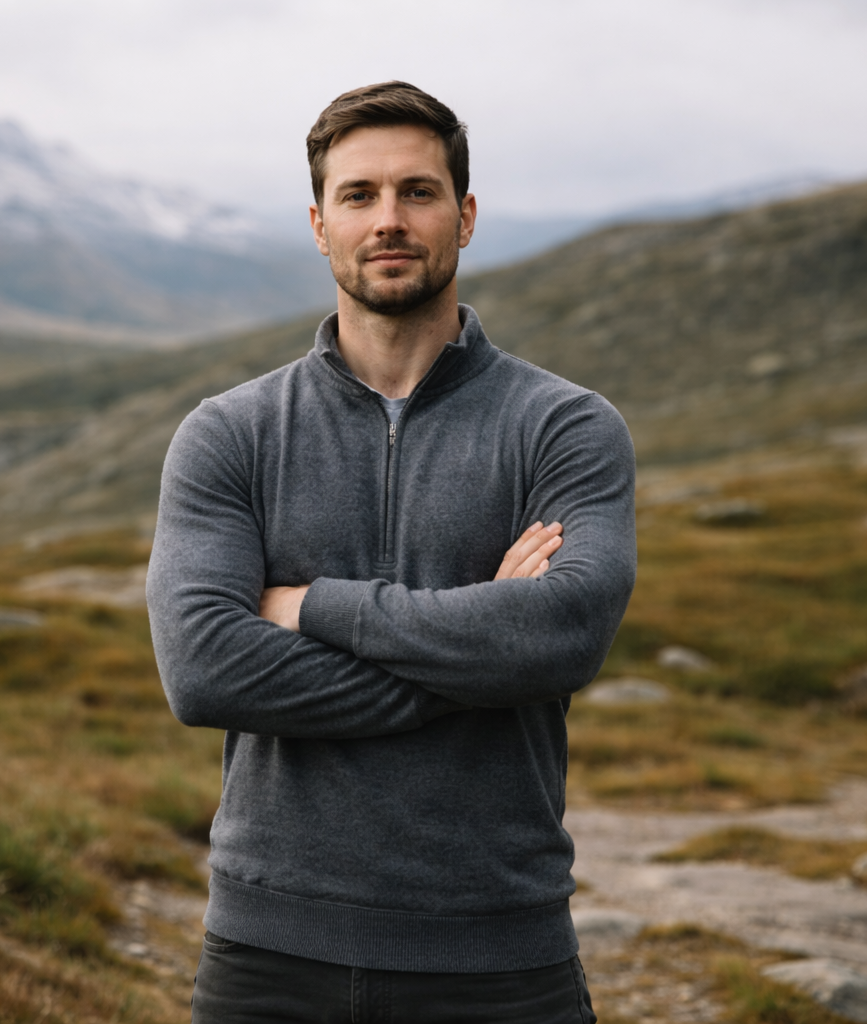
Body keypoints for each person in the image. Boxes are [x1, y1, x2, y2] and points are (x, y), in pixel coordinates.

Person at [147, 81, 636, 1024]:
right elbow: (203, 670)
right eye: (359, 195)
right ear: (320, 223)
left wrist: (308, 606)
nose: (390, 220)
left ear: (467, 214)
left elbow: (563, 636)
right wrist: (480, 651)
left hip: (501, 952)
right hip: (268, 958)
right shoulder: (229, 434)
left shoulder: (565, 427)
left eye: (418, 192)